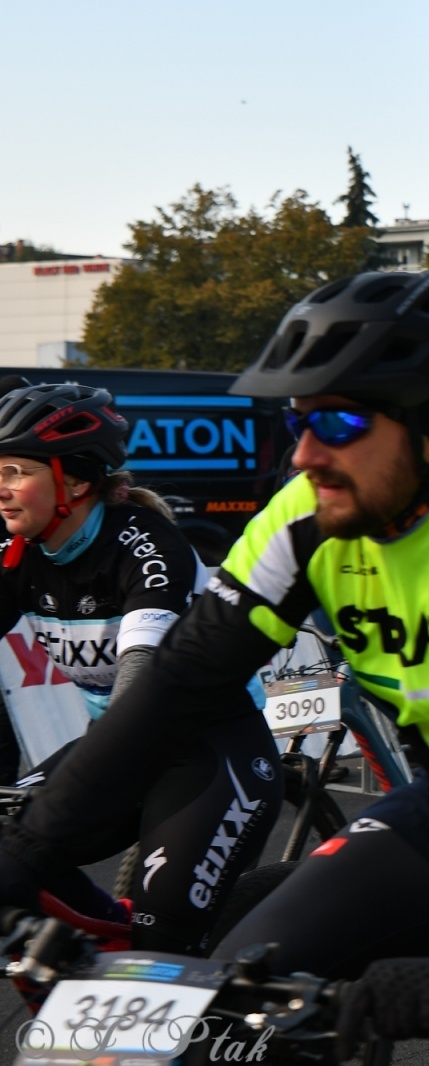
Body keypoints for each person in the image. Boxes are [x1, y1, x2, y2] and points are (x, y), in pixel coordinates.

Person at [1, 273, 429, 1061]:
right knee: (212, 1020)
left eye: (336, 420)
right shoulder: (308, 508)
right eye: (296, 420)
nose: (305, 453)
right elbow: (176, 686)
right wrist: (26, 855)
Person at [0, 383, 284, 955]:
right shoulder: (21, 551)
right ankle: (103, 948)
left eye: (15, 472)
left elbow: (143, 678)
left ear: (75, 482)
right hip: (115, 747)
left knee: (163, 940)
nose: (1, 490)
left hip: (206, 753)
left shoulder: (147, 544)